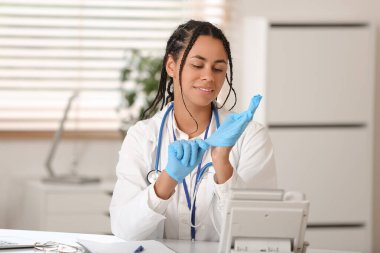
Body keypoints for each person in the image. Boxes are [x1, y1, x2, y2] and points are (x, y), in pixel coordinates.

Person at [110, 20, 277, 242]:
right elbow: (124, 230)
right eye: (197, 65)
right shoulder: (142, 137)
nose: (209, 76)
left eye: (218, 68)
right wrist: (167, 180)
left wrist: (222, 163)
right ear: (171, 66)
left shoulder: (250, 136)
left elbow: (256, 232)